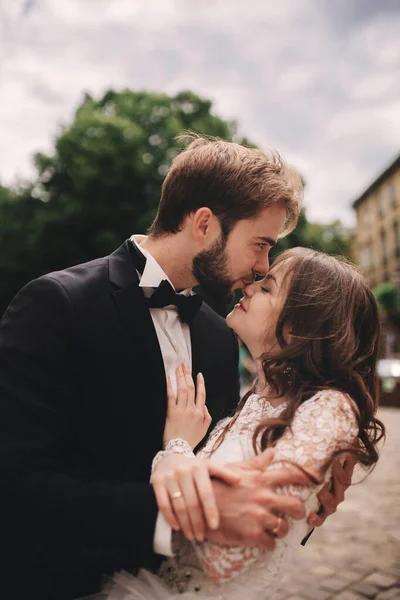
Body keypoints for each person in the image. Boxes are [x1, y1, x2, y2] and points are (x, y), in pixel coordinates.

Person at [0, 136, 346, 600]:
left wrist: (305, 479)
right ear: (204, 223)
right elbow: (16, 489)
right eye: (260, 244)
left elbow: (223, 455)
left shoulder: (221, 335)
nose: (264, 267)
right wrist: (183, 514)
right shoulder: (57, 304)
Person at [102, 247, 385, 600]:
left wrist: (176, 451)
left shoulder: (330, 408)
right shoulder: (251, 402)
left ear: (303, 325)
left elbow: (227, 554)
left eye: (267, 288)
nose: (249, 287)